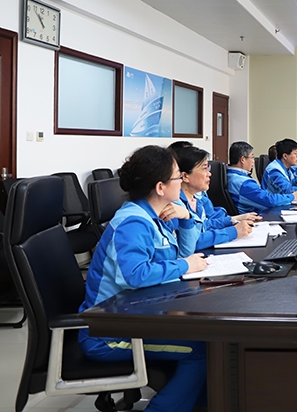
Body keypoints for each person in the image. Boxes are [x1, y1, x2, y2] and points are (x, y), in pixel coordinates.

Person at [78, 145, 209, 412]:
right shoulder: (134, 223)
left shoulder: (155, 215)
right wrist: (185, 265)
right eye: (177, 176)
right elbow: (135, 275)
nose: (181, 181)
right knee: (203, 349)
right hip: (108, 331)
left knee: (208, 339)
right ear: (160, 187)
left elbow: (183, 253)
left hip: (137, 314)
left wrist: (186, 219)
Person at [172, 146, 259, 257]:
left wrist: (233, 220)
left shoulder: (196, 200)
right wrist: (233, 232)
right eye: (204, 169)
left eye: (208, 169)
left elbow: (205, 225)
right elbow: (193, 240)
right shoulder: (176, 205)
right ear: (185, 176)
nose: (209, 174)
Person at [227, 141, 297, 213]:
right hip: (255, 216)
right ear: (242, 160)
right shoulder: (244, 183)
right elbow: (269, 200)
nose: (253, 161)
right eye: (252, 157)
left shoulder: (229, 175)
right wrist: (292, 197)